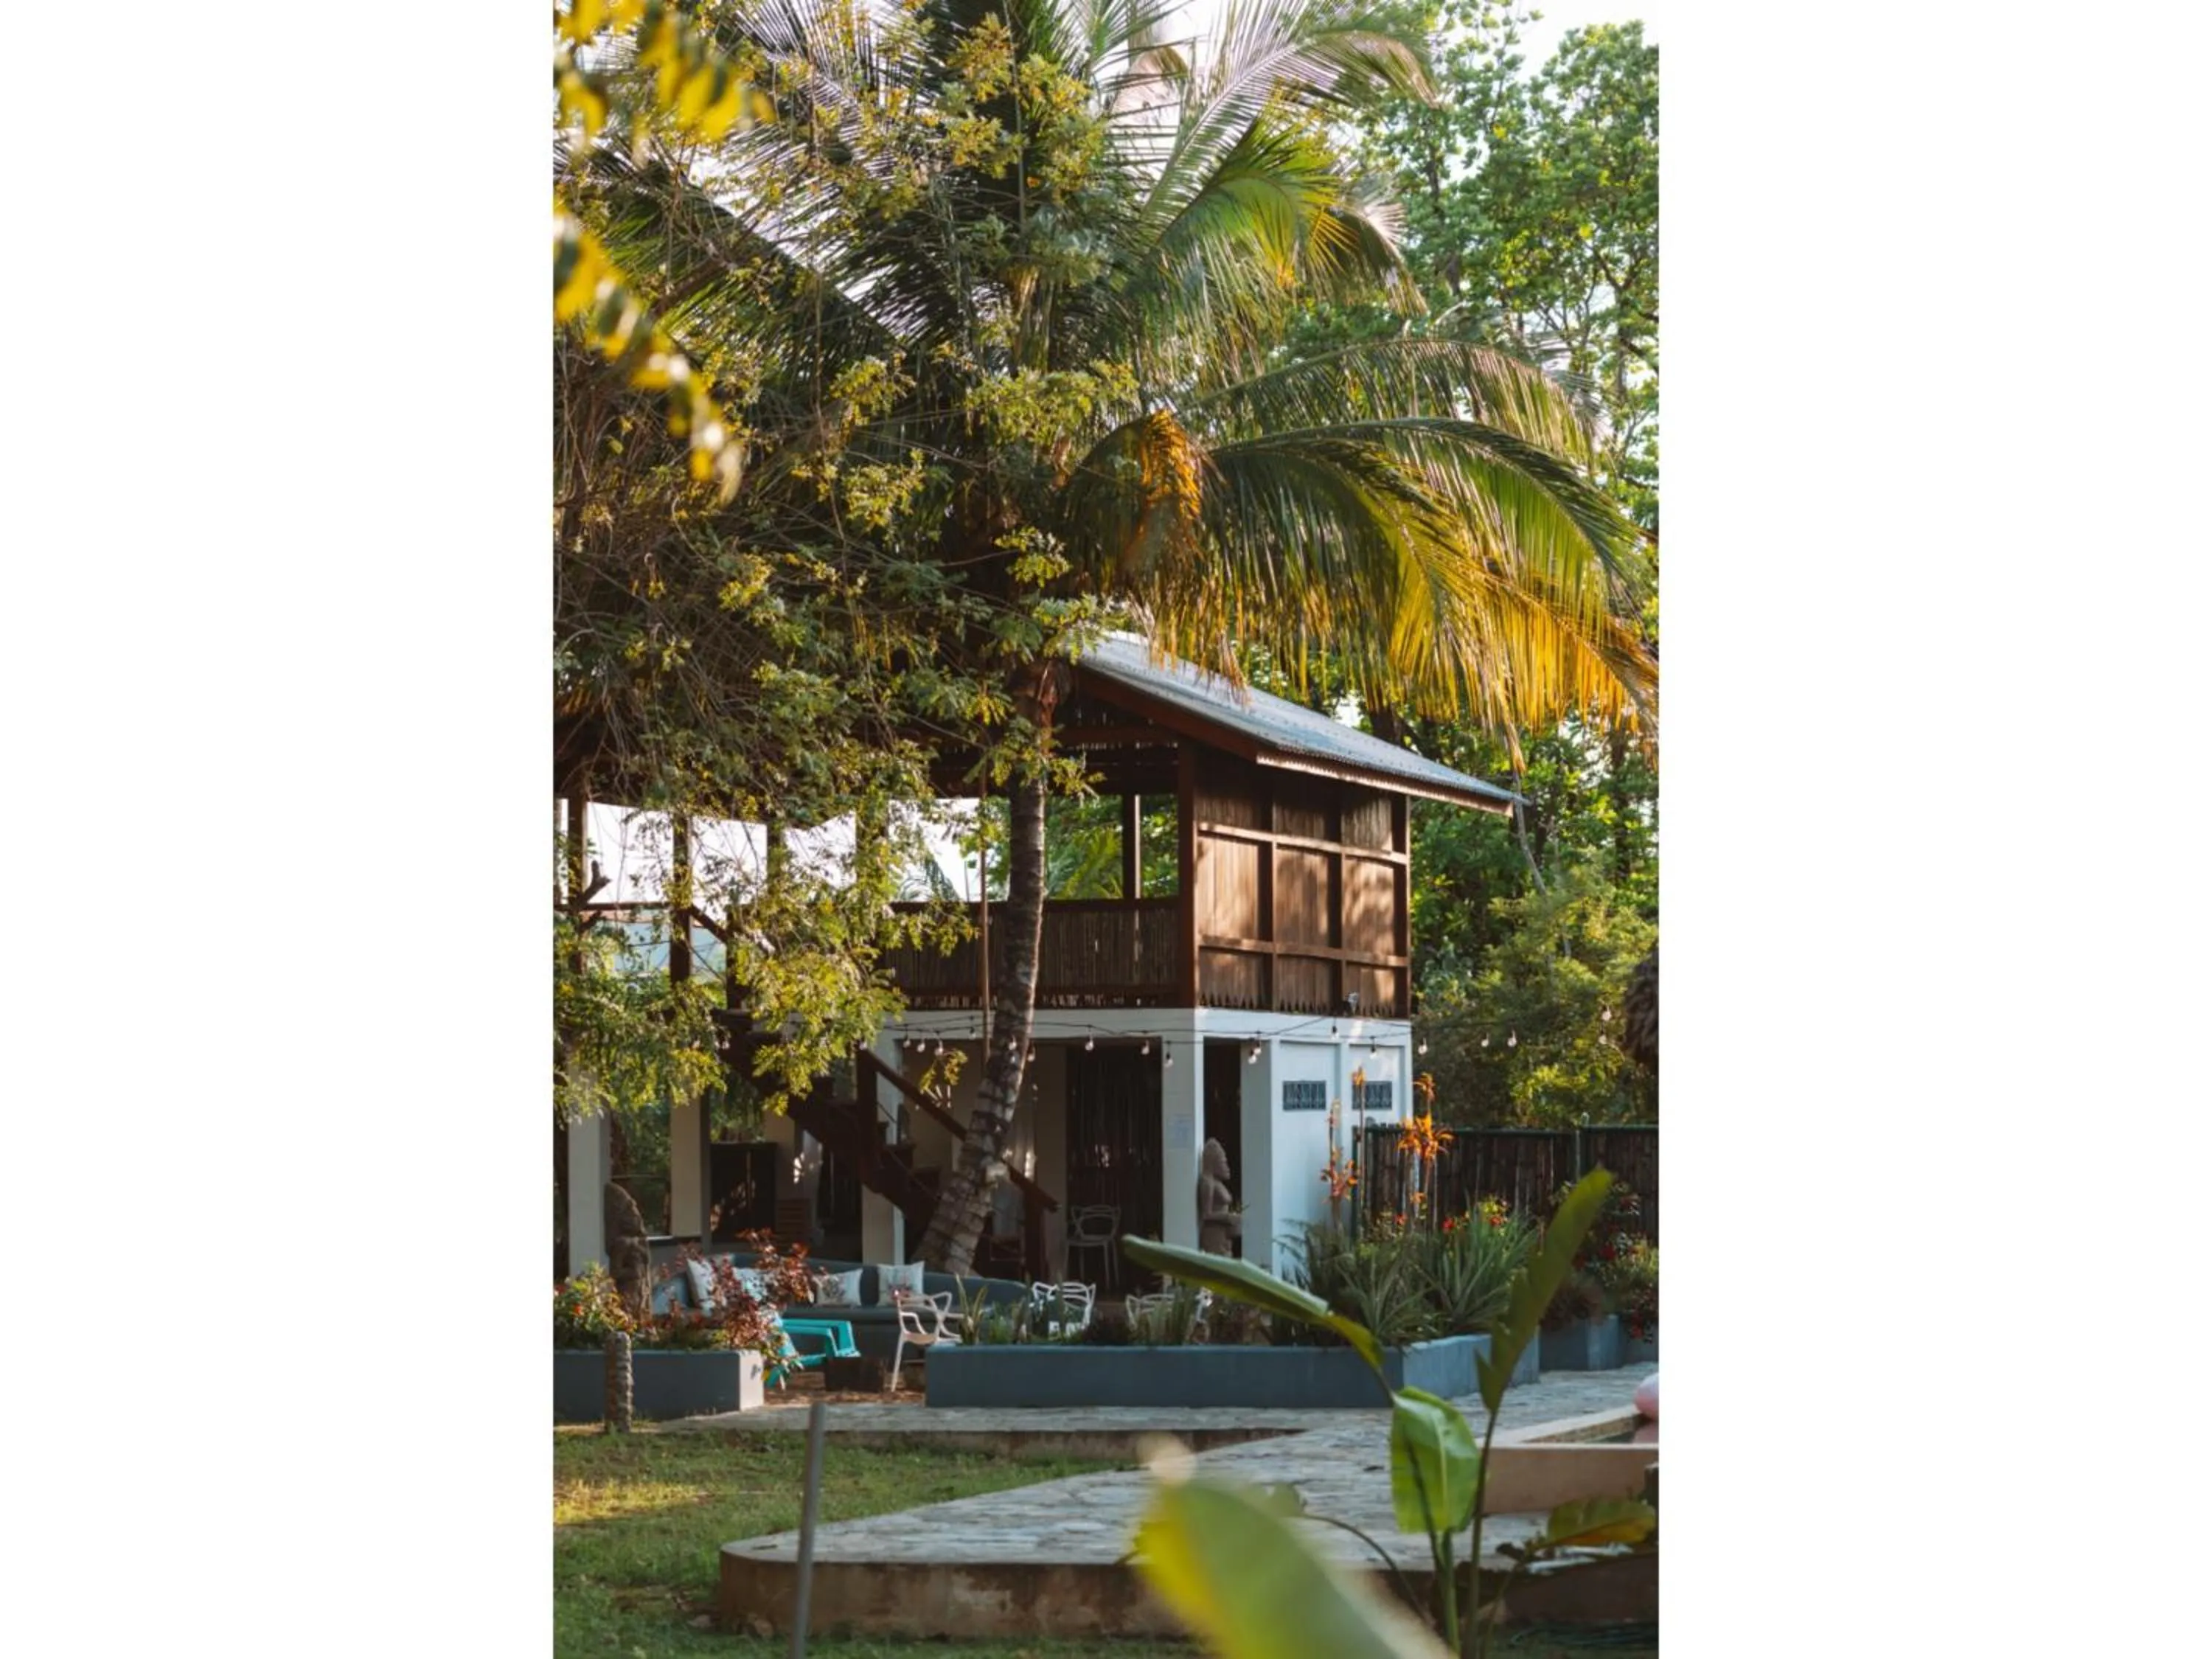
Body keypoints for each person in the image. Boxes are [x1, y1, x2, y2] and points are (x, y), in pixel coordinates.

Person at [1197, 1138, 1241, 1256]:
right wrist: (1227, 1217)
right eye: (1223, 1162)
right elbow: (1206, 1215)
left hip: (1224, 1233)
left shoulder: (1218, 1183)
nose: (1227, 1167)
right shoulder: (1207, 1183)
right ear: (1213, 1163)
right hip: (1213, 1234)